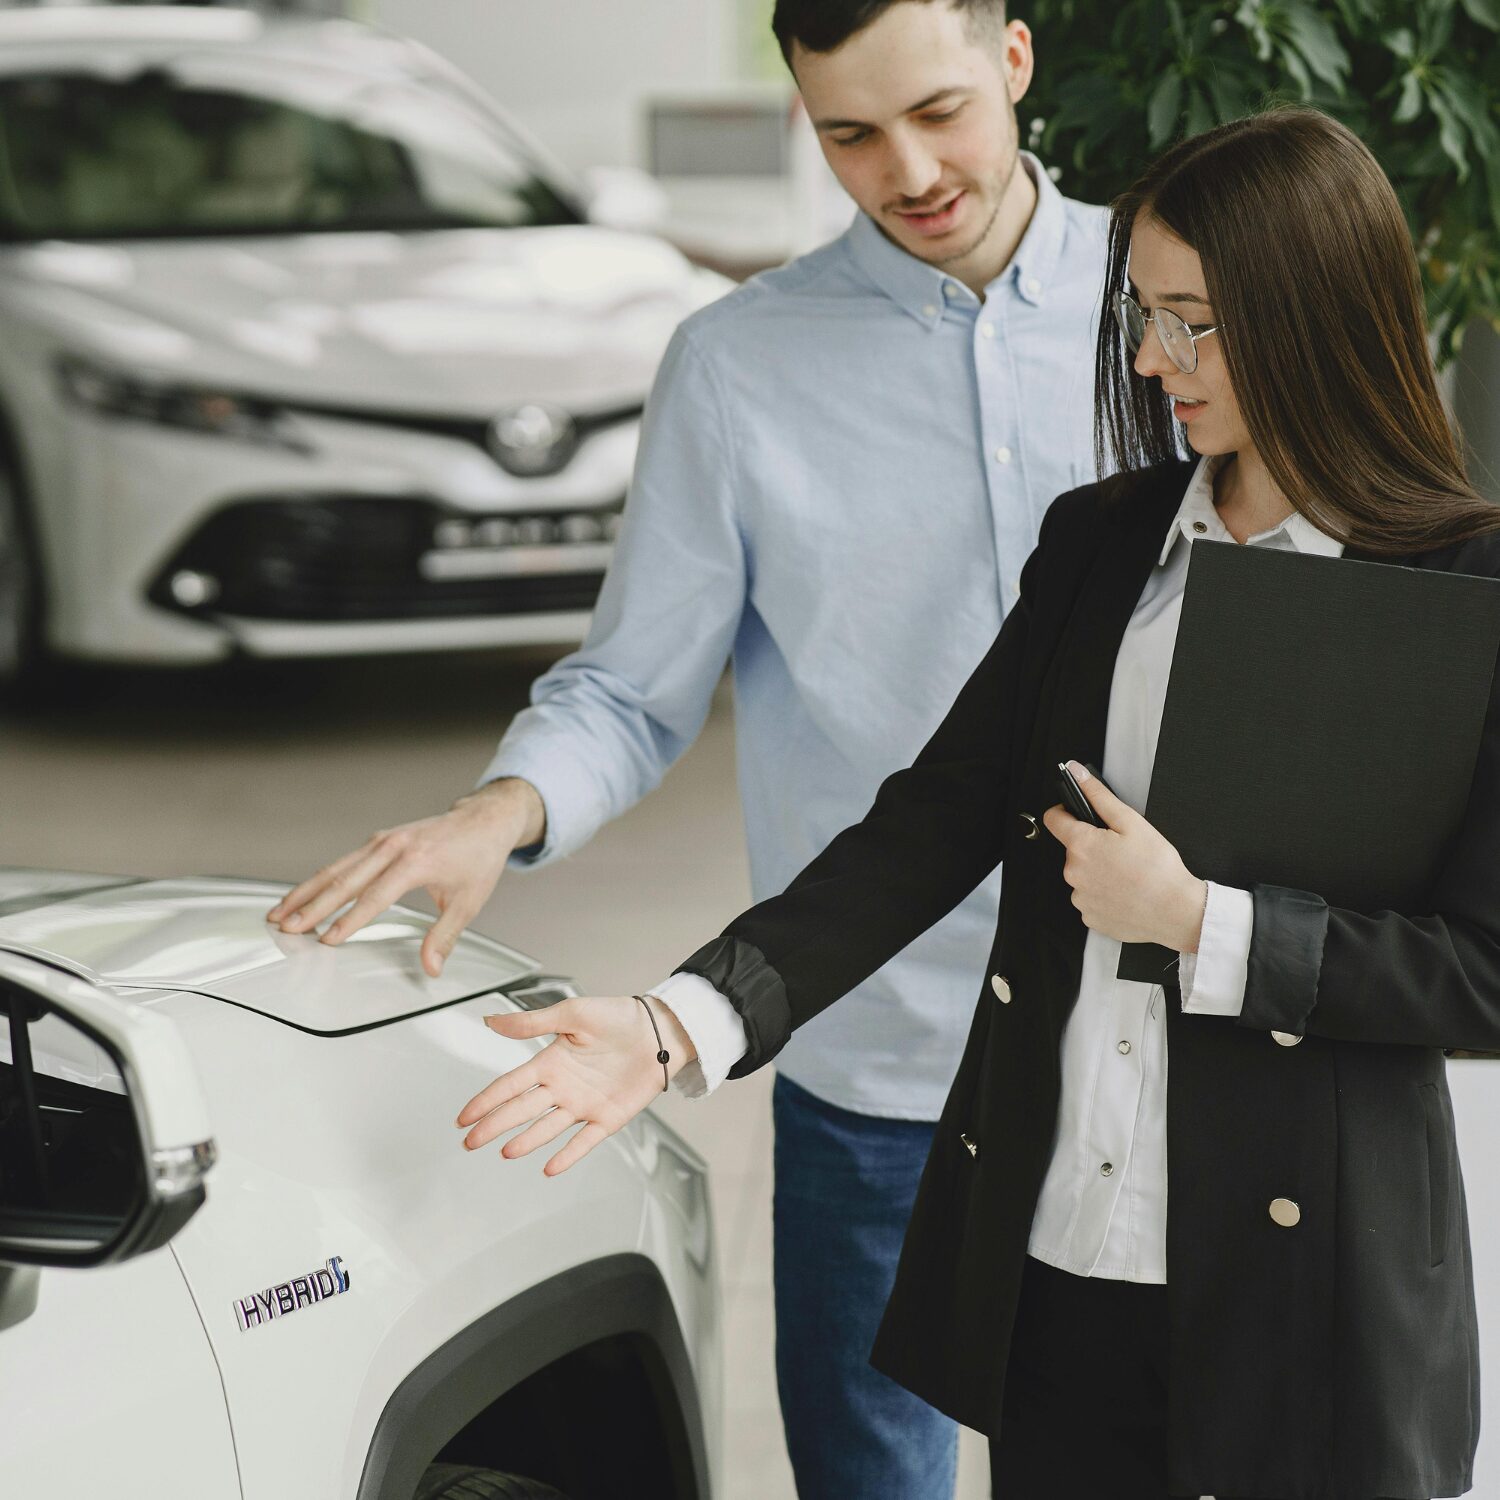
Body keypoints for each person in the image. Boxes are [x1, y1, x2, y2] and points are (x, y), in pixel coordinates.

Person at [455, 107, 1500, 1500]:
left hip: (1311, 1299)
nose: (1146, 360)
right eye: (1143, 314)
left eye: (1193, 323)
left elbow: (1485, 971)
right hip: (1063, 1264)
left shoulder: (1463, 594)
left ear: (1309, 315)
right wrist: (675, 1026)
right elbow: (931, 823)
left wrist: (1204, 926)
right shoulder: (1104, 547)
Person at [267, 2, 1107, 1494]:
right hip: (871, 1051)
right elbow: (633, 688)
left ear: (1017, 59)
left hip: (1139, 1047)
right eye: (849, 133)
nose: (906, 169)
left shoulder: (1167, 308)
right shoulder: (736, 365)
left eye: (937, 111)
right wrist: (502, 808)